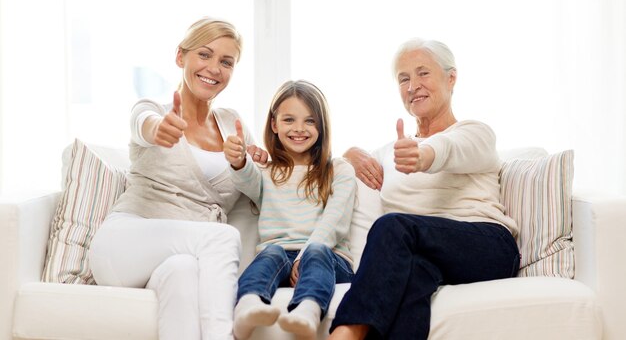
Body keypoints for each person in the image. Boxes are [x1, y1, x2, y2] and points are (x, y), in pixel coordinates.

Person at [327, 38, 521, 340]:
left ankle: (344, 334)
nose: (412, 85)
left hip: (486, 246)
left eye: (423, 73)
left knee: (392, 226)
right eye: (404, 78)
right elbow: (339, 164)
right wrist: (351, 153)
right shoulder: (389, 151)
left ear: (451, 78)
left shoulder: (475, 132)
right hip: (426, 254)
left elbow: (448, 148)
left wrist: (423, 154)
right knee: (411, 276)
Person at [88, 17, 266, 340]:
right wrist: (157, 129)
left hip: (175, 260)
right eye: (204, 54)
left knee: (184, 273)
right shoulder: (154, 108)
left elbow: (260, 193)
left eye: (226, 62)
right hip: (122, 245)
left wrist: (244, 165)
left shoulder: (233, 124)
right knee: (222, 236)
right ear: (180, 56)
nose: (214, 68)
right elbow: (142, 123)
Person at [223, 80, 357, 339]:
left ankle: (307, 311)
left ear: (322, 126)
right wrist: (239, 159)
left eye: (310, 121)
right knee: (271, 252)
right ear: (274, 124)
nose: (299, 129)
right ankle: (248, 305)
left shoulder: (338, 170)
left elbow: (335, 222)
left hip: (328, 257)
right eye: (288, 120)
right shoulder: (267, 172)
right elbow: (246, 178)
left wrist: (303, 256)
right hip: (281, 259)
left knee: (317, 251)